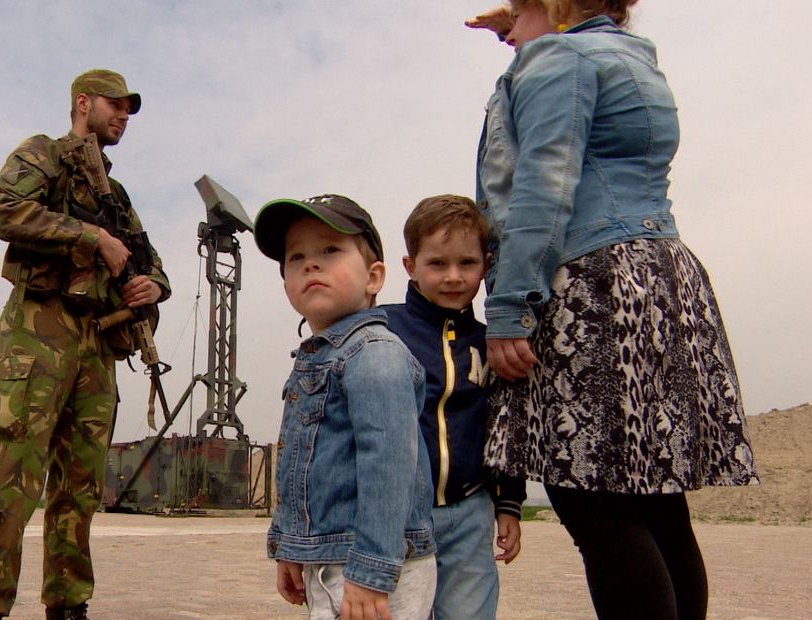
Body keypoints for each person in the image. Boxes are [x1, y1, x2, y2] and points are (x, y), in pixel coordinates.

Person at [469, 2, 758, 619]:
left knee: (594, 505)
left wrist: (511, 306)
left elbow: (544, 182)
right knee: (655, 501)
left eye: (519, 8)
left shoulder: (559, 58)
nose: (509, 27)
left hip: (590, 285)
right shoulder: (627, 59)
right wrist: (531, 22)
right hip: (659, 278)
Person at [0, 69, 170, 620]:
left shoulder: (116, 197)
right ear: (83, 103)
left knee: (80, 488)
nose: (124, 116)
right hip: (38, 332)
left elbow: (149, 262)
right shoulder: (44, 154)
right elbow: (3, 211)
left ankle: (69, 603)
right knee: (11, 477)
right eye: (115, 105)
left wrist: (153, 286)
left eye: (129, 109)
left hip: (98, 344)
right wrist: (90, 236)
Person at [254, 195, 436, 620]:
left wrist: (373, 571)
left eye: (329, 250)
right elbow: (303, 466)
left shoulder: (374, 353)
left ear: (374, 277)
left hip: (375, 563)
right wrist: (290, 546)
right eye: (295, 256)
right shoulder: (320, 357)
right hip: (334, 557)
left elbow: (389, 467)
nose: (310, 264)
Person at [382, 195, 526, 620]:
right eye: (437, 264)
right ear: (410, 266)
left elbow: (506, 425)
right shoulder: (381, 330)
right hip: (399, 516)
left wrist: (509, 504)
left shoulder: (492, 342)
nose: (453, 277)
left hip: (469, 511)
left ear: (486, 263)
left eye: (467, 264)